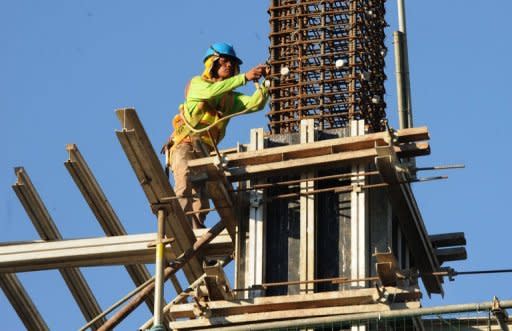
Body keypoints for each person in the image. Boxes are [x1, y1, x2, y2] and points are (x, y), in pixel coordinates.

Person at [163, 42, 269, 229]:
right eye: (224, 61)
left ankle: (195, 233)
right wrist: (245, 77)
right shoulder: (197, 84)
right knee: (184, 185)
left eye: (232, 63)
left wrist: (267, 83)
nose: (229, 65)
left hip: (205, 151)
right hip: (185, 144)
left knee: (202, 200)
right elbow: (211, 92)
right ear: (212, 63)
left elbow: (255, 104)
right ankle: (177, 227)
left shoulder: (230, 99)